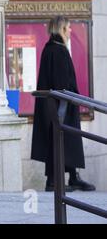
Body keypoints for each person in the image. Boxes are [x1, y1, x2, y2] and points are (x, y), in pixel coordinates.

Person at [31, 16, 95, 192]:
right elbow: (61, 82)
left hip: (60, 105)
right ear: (61, 29)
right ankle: (54, 181)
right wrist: (71, 98)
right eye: (68, 27)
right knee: (60, 139)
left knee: (66, 139)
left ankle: (72, 176)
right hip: (61, 106)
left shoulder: (52, 48)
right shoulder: (57, 50)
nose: (71, 30)